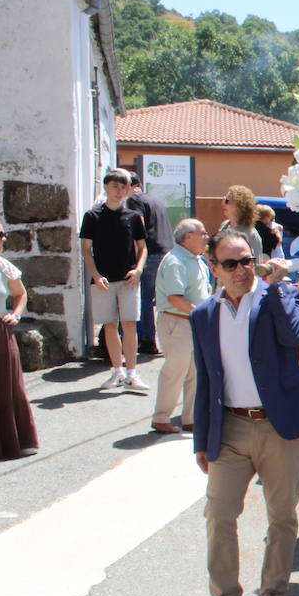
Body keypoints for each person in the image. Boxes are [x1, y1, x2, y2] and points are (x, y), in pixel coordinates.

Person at [186, 226, 299, 596]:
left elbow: (296, 336)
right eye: (230, 263)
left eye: (246, 261)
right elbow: (206, 382)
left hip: (277, 424)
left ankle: (274, 593)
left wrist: (276, 286)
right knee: (219, 513)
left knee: (281, 515)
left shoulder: (274, 296)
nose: (240, 270)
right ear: (213, 267)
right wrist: (201, 440)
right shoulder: (203, 315)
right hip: (229, 427)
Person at [80, 169, 150, 393]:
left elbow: (142, 248)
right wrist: (95, 275)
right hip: (103, 281)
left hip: (128, 279)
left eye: (123, 187)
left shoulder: (133, 217)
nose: (119, 191)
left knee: (129, 325)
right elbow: (86, 250)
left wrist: (138, 269)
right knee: (110, 325)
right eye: (115, 186)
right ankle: (117, 371)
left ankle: (132, 373)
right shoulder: (93, 216)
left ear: (128, 189)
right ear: (106, 187)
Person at [150, 219, 212, 435]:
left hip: (191, 322)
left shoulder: (195, 260)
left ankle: (191, 418)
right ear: (188, 237)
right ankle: (161, 417)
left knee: (195, 372)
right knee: (175, 371)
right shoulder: (176, 261)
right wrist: (200, 313)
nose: (207, 236)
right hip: (178, 322)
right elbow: (175, 298)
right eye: (202, 233)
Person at [0, 219, 37, 459]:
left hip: (0, 330)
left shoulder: (4, 267)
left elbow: (21, 294)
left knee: (8, 387)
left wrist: (16, 314)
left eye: (3, 234)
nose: (3, 238)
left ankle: (13, 443)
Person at [127, 172, 172, 356]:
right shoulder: (155, 200)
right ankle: (156, 338)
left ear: (131, 185)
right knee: (158, 298)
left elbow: (138, 224)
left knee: (143, 298)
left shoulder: (134, 200)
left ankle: (146, 340)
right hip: (166, 251)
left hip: (151, 251)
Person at [222, 185, 264, 262]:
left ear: (239, 205)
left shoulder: (250, 234)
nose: (223, 203)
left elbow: (256, 263)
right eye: (224, 199)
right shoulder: (224, 226)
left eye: (227, 200)